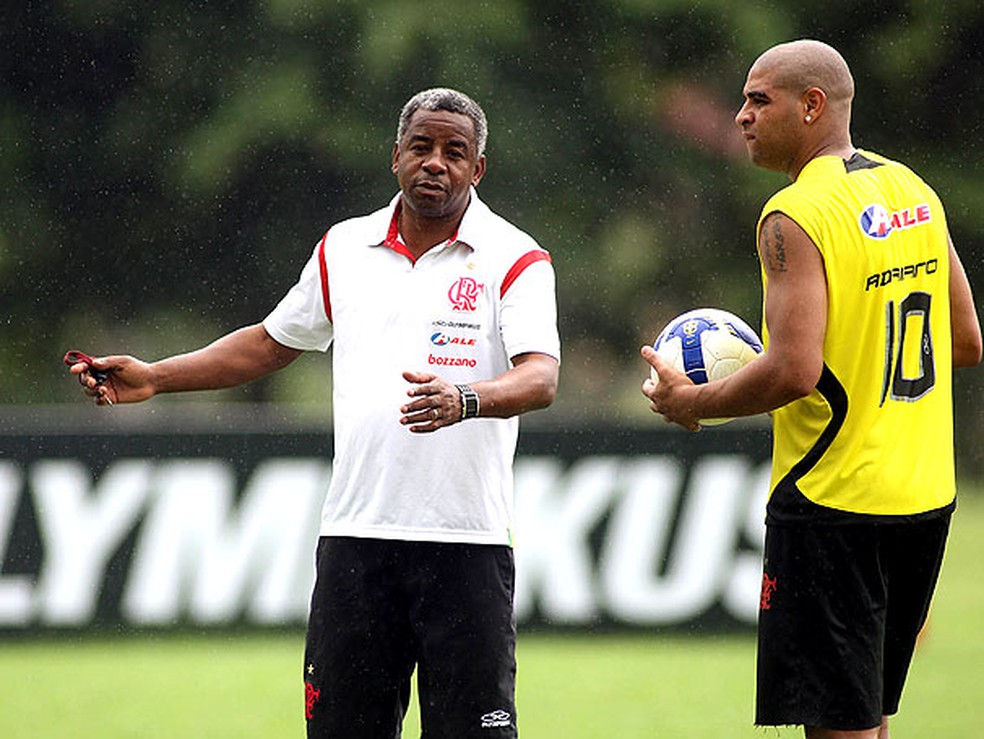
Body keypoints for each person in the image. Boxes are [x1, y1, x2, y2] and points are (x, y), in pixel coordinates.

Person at [68, 87, 560, 738]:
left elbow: (541, 376)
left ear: (478, 168)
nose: (435, 162)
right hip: (356, 542)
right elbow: (272, 342)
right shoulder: (343, 249)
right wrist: (157, 377)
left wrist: (466, 398)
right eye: (421, 146)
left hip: (464, 545)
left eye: (454, 151)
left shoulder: (516, 257)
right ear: (395, 157)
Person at [641, 40, 981, 739]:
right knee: (869, 719)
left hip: (834, 503)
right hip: (924, 498)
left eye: (758, 100)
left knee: (838, 727)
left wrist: (691, 402)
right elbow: (967, 340)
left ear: (813, 105)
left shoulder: (793, 214)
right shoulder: (913, 189)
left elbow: (794, 370)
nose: (741, 116)